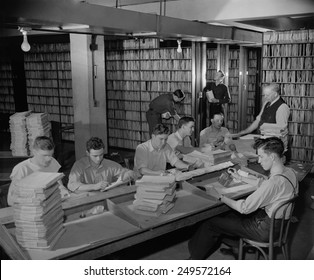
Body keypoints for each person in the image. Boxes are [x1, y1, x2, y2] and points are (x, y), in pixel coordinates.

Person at [188, 137, 298, 259]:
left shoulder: (273, 183)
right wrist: (240, 177)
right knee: (228, 216)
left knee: (210, 222)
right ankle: (236, 247)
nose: (259, 161)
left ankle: (193, 260)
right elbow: (264, 184)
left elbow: (244, 208)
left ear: (272, 157)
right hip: (280, 226)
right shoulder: (290, 172)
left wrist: (219, 196)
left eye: (261, 156)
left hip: (264, 231)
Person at [7, 136, 69, 206]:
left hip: (49, 205)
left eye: (51, 155)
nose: (48, 159)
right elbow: (11, 200)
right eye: (44, 155)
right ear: (34, 152)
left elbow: (58, 183)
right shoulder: (22, 169)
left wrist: (63, 190)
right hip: (30, 208)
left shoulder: (53, 162)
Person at [230, 84, 290, 153]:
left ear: (275, 94)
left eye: (267, 95)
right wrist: (244, 132)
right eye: (264, 95)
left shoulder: (282, 107)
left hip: (275, 146)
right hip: (265, 140)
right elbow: (258, 120)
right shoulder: (267, 103)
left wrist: (264, 126)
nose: (265, 97)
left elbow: (281, 129)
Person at [68, 137, 136, 192]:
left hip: (105, 197)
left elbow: (126, 173)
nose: (98, 159)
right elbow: (72, 185)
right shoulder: (79, 165)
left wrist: (128, 174)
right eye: (95, 156)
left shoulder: (109, 164)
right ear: (87, 153)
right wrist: (94, 186)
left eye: (101, 155)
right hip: (86, 199)